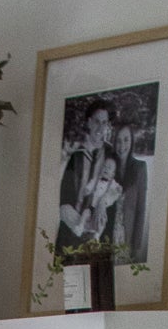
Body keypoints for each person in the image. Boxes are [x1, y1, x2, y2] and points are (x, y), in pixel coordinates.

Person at [56, 102, 112, 253]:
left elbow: (116, 188)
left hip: (100, 232)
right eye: (96, 121)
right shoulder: (77, 156)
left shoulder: (111, 155)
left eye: (104, 122)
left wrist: (102, 202)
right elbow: (65, 200)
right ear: (89, 122)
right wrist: (81, 229)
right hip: (73, 230)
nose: (100, 128)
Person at [110, 122, 149, 263]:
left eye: (126, 140)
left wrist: (136, 245)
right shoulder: (108, 166)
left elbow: (140, 209)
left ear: (131, 141)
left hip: (126, 236)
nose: (122, 145)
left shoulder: (140, 168)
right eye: (118, 141)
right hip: (106, 235)